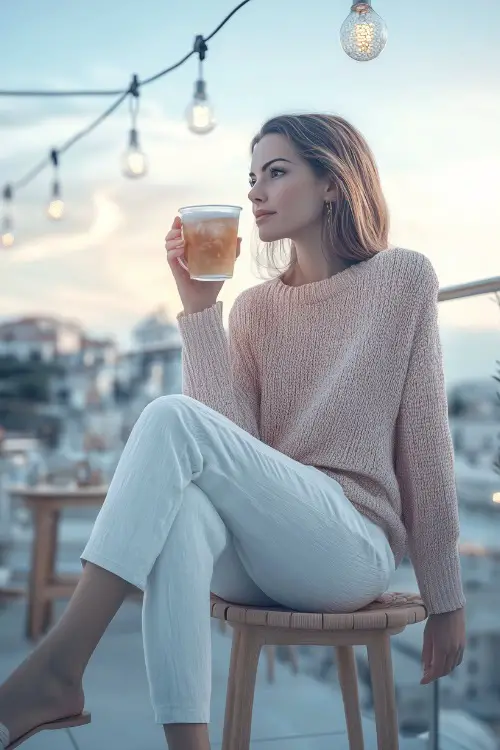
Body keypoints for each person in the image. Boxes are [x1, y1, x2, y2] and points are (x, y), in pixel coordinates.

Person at [0, 113, 466, 750]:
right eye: (252, 177)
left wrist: (446, 597)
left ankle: (58, 666)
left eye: (277, 173)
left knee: (169, 415)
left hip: (348, 543)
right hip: (263, 548)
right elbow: (228, 442)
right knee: (187, 503)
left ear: (333, 183)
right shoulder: (254, 308)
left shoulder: (403, 280)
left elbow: (426, 446)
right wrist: (200, 308)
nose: (255, 192)